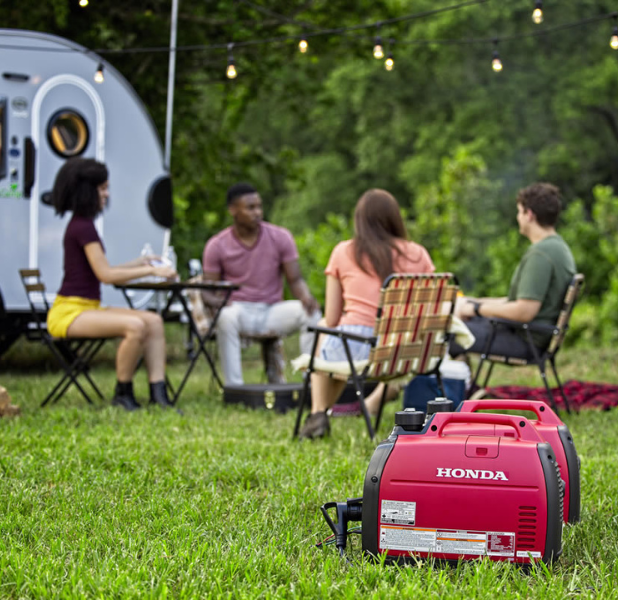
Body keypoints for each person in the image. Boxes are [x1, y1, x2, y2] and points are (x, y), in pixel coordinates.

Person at [298, 189, 435, 440]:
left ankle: (318, 412)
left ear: (359, 220)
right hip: (405, 351)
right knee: (336, 344)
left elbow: (331, 318)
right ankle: (321, 414)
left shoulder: (344, 251)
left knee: (323, 330)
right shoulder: (418, 254)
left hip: (359, 350)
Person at [46, 158, 178, 411]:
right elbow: (105, 275)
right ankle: (123, 392)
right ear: (88, 191)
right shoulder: (82, 228)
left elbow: (102, 269)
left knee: (154, 321)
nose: (107, 194)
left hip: (87, 308)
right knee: (135, 326)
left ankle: (158, 393)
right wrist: (151, 271)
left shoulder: (83, 226)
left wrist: (140, 262)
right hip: (69, 313)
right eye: (103, 188)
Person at [201, 183, 322, 386]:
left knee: (311, 315)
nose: (257, 212)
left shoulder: (280, 237)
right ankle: (235, 388)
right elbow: (207, 291)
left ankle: (311, 384)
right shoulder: (217, 245)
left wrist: (306, 297)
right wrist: (220, 303)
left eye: (259, 206)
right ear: (233, 210)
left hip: (272, 310)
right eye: (250, 207)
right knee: (226, 317)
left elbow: (296, 280)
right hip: (239, 310)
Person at [450, 181, 576, 361]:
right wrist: (473, 302)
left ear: (529, 214)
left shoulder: (541, 254)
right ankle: (463, 385)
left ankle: (453, 387)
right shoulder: (558, 247)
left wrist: (475, 309)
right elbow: (517, 302)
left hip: (524, 341)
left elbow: (524, 311)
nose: (518, 217)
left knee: (441, 335)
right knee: (457, 324)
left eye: (519, 211)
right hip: (530, 335)